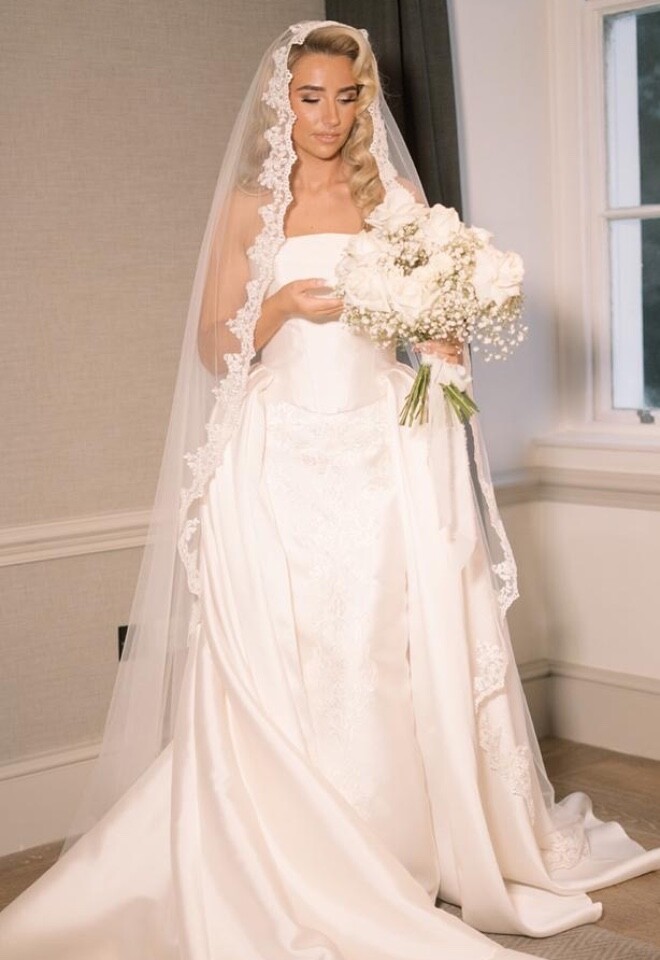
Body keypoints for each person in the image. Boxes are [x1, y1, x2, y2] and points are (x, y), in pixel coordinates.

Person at [1, 19, 658, 960]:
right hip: (275, 455)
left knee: (380, 648)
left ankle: (395, 849)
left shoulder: (391, 196)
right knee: (287, 649)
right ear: (283, 98)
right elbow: (211, 346)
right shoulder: (247, 205)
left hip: (381, 450)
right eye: (311, 96)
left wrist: (444, 341)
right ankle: (286, 855)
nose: (329, 115)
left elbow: (432, 322)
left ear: (365, 100)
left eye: (347, 97)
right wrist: (278, 305)